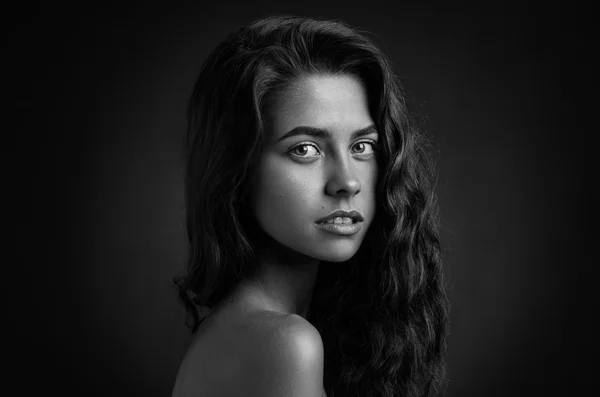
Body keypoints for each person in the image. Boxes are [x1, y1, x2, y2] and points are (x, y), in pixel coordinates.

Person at [171, 15, 450, 397]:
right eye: (305, 149)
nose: (347, 182)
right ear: (236, 169)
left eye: (362, 146)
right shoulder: (283, 343)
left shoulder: (247, 327)